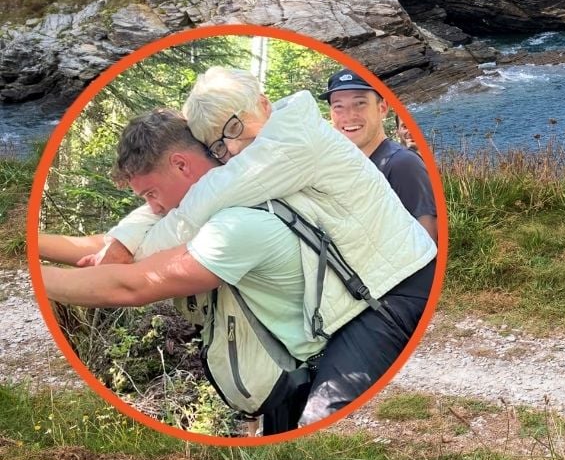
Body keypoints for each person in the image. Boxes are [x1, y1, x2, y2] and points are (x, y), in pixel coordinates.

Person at [80, 67, 437, 428]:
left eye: (233, 130)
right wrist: (122, 238)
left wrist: (126, 258)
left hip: (398, 288)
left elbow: (203, 198)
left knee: (324, 418)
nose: (233, 149)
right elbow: (184, 196)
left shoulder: (292, 144)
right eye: (219, 146)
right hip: (363, 293)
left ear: (264, 104)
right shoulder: (270, 137)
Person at [42, 109, 325, 432]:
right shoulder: (202, 205)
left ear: (180, 164)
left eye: (151, 193)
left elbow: (132, 286)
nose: (153, 207)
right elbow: (114, 248)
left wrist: (33, 279)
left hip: (308, 381)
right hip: (284, 379)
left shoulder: (237, 224)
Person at [320, 68, 437, 242]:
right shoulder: (344, 168)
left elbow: (428, 239)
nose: (349, 116)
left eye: (360, 103)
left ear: (382, 108)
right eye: (338, 106)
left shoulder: (402, 164)